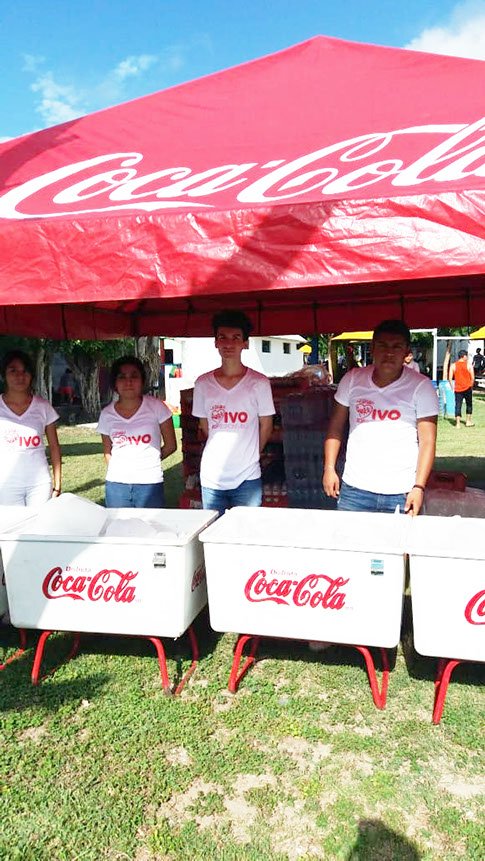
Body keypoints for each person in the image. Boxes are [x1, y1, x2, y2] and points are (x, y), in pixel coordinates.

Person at [323, 320, 438, 516]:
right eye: (383, 345)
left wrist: (419, 487)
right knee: (349, 537)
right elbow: (335, 428)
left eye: (396, 347)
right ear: (373, 348)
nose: (389, 353)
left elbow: (428, 441)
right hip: (355, 489)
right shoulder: (352, 379)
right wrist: (329, 468)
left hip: (402, 491)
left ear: (406, 352)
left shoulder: (421, 387)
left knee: (400, 538)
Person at [192, 310, 275, 516]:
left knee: (246, 531)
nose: (229, 344)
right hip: (212, 477)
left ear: (245, 343)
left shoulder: (259, 382)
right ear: (215, 342)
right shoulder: (202, 384)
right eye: (223, 337)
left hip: (247, 476)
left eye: (236, 338)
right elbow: (205, 426)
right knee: (213, 530)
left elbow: (266, 426)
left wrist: (251, 454)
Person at [97, 356, 176, 508]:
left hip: (150, 482)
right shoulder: (107, 414)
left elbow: (171, 445)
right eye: (122, 377)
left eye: (134, 376)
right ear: (115, 383)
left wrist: (150, 461)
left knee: (150, 523)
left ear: (142, 381)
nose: (128, 382)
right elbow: (107, 453)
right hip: (117, 485)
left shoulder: (157, 407)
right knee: (118, 523)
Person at [0, 349, 61, 505]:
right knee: (11, 521)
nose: (20, 376)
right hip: (6, 484)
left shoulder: (43, 406)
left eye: (25, 371)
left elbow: (54, 447)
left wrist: (57, 484)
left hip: (39, 484)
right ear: (4, 375)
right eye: (13, 370)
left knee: (40, 521)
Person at [449, 350, 475, 428]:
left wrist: (452, 387)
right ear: (464, 356)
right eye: (467, 356)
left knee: (458, 405)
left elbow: (450, 378)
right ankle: (468, 421)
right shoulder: (468, 365)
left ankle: (458, 424)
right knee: (469, 404)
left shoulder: (453, 365)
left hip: (458, 388)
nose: (467, 357)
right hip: (467, 387)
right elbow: (472, 377)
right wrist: (471, 385)